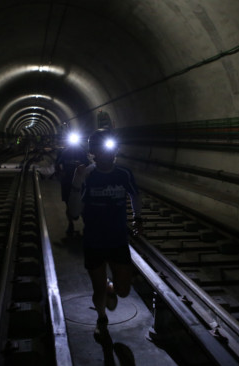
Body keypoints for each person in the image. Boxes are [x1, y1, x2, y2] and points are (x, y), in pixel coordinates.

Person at [68, 129, 143, 340]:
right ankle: (101, 320)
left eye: (110, 149)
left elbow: (135, 195)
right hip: (94, 241)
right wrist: (76, 181)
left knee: (124, 291)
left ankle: (112, 286)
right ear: (93, 152)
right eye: (100, 150)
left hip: (118, 239)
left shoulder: (124, 174)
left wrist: (138, 218)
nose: (107, 154)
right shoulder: (87, 175)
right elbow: (74, 213)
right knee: (98, 288)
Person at [55, 133, 90, 235]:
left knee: (82, 203)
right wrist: (60, 173)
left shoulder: (81, 152)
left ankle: (81, 225)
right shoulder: (65, 152)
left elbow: (87, 164)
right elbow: (57, 164)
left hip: (77, 181)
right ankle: (71, 225)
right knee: (69, 204)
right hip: (69, 181)